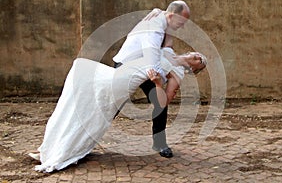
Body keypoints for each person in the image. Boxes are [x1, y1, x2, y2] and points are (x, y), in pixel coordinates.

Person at [28, 46, 207, 173]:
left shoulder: (179, 73)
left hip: (152, 79)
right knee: (109, 106)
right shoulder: (168, 49)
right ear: (190, 52)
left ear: (193, 69)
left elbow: (165, 100)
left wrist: (158, 83)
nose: (199, 57)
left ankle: (160, 144)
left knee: (160, 108)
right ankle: (81, 138)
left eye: (201, 62)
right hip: (132, 72)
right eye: (198, 55)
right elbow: (161, 27)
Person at [113, 0, 190, 158]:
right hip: (127, 66)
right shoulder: (154, 29)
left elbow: (167, 49)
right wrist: (161, 80)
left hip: (144, 67)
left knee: (159, 101)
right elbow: (152, 59)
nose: (182, 27)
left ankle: (160, 143)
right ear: (170, 16)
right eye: (181, 22)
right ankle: (89, 137)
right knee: (113, 105)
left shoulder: (164, 21)